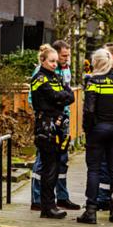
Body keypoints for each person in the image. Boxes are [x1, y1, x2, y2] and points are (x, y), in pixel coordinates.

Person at [78, 48, 113, 225]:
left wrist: (88, 131)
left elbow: (88, 110)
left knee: (94, 170)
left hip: (99, 129)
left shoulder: (94, 81)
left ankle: (91, 211)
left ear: (97, 63)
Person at [29, 41, 81, 211]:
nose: (66, 59)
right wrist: (52, 105)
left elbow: (69, 95)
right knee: (44, 163)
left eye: (68, 56)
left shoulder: (62, 72)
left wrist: (59, 100)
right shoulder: (41, 74)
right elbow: (44, 96)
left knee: (60, 162)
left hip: (61, 121)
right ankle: (39, 200)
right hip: (47, 122)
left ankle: (61, 197)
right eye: (63, 56)